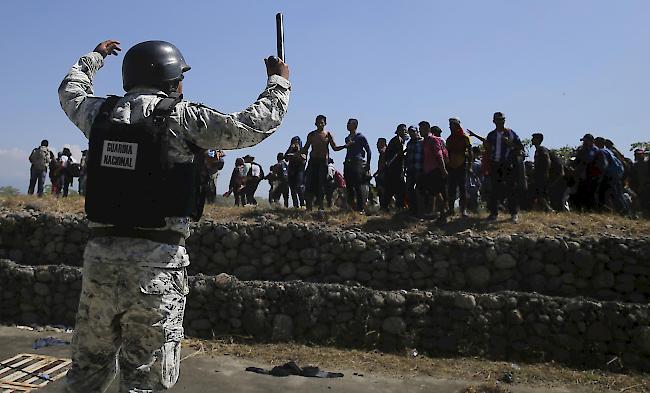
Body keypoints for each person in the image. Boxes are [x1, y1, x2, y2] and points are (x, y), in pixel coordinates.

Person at [58, 39, 290, 392]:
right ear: (169, 79)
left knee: (86, 374)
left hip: (100, 264)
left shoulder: (100, 114)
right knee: (145, 380)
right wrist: (279, 83)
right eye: (180, 76)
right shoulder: (183, 118)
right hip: (156, 269)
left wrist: (96, 56)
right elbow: (249, 127)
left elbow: (70, 89)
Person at [484, 112, 524, 223]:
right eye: (497, 119)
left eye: (502, 119)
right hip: (495, 164)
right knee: (494, 189)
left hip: (508, 164)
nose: (500, 121)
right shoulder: (491, 135)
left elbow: (520, 147)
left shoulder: (511, 133)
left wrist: (511, 144)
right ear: (494, 121)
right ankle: (493, 213)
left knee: (511, 189)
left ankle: (514, 213)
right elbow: (488, 149)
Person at [301, 115, 345, 211]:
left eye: (322, 122)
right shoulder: (311, 135)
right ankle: (309, 206)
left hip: (323, 162)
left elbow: (334, 147)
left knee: (321, 184)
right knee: (309, 183)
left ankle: (321, 206)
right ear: (315, 123)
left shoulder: (328, 134)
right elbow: (306, 148)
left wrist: (345, 146)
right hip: (313, 161)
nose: (320, 124)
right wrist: (297, 154)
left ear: (325, 123)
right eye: (318, 122)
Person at [419, 124, 449, 223]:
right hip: (427, 170)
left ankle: (443, 214)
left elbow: (439, 155)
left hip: (435, 169)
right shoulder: (424, 142)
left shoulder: (433, 140)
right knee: (431, 192)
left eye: (422, 129)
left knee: (437, 192)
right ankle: (434, 213)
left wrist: (443, 169)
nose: (420, 131)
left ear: (427, 129)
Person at [342, 118, 371, 212]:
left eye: (349, 124)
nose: (347, 125)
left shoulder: (361, 137)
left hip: (357, 162)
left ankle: (360, 208)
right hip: (348, 162)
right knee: (349, 185)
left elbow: (368, 151)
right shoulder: (347, 138)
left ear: (354, 125)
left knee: (357, 185)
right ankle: (352, 207)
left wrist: (368, 164)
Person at [594, 137, 629, 215]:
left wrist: (601, 176)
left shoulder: (601, 151)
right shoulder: (609, 151)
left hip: (610, 175)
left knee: (609, 194)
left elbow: (604, 164)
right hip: (617, 175)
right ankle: (626, 212)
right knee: (618, 195)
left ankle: (620, 212)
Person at [446, 118, 472, 217]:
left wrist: (470, 166)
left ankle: (463, 210)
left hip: (462, 164)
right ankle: (451, 209)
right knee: (451, 188)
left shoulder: (465, 137)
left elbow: (470, 152)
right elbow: (447, 152)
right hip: (451, 165)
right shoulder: (449, 139)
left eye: (452, 125)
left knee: (463, 188)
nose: (450, 127)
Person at [572, 133, 601, 211]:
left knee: (590, 193)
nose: (584, 142)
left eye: (586, 141)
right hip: (582, 175)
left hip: (592, 176)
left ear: (591, 141)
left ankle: (591, 210)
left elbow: (590, 160)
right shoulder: (581, 149)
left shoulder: (595, 150)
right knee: (579, 192)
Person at [383, 124, 408, 211]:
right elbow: (399, 154)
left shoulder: (401, 141)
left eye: (405, 130)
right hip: (394, 169)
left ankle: (394, 208)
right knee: (397, 189)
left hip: (397, 169)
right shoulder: (396, 140)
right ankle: (397, 208)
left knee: (395, 190)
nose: (404, 131)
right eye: (402, 130)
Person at [531, 133, 554, 212]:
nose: (532, 140)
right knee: (539, 194)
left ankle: (549, 209)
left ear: (538, 140)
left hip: (542, 175)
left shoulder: (542, 149)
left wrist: (545, 173)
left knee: (540, 194)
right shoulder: (537, 150)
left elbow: (548, 161)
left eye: (534, 138)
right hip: (538, 175)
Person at [405, 125, 424, 216]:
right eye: (410, 132)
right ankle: (412, 209)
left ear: (417, 132)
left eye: (413, 131)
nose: (412, 134)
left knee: (420, 190)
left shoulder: (422, 142)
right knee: (409, 189)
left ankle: (420, 211)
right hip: (410, 169)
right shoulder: (409, 143)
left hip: (419, 169)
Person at [284, 136, 306, 208]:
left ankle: (302, 204)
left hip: (300, 170)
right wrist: (290, 149)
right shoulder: (290, 150)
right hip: (291, 170)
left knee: (299, 187)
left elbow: (304, 159)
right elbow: (286, 158)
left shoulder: (303, 149)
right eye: (294, 141)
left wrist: (298, 152)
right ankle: (295, 205)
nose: (296, 142)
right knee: (292, 188)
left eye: (297, 141)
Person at [373, 137, 388, 209]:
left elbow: (383, 164)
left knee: (383, 191)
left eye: (378, 143)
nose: (377, 145)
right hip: (382, 174)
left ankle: (384, 208)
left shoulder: (383, 151)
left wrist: (379, 173)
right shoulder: (383, 152)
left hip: (383, 175)